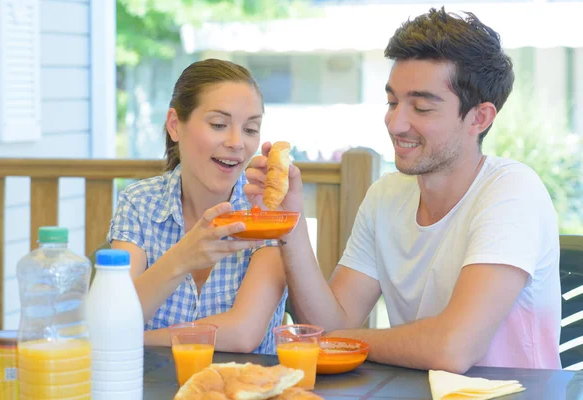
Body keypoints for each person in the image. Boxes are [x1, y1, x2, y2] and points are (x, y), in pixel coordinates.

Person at [245, 8, 561, 372]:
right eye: (393, 102)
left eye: (422, 107)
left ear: (479, 117)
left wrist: (339, 340)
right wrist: (291, 222)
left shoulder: (512, 192)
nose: (396, 124)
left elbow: (452, 349)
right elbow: (333, 321)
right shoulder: (387, 196)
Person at [108, 58, 287, 354]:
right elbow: (115, 317)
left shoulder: (266, 211)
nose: (236, 142)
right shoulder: (139, 202)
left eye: (250, 129)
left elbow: (243, 334)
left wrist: (134, 339)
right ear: (175, 125)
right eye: (219, 125)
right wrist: (181, 258)